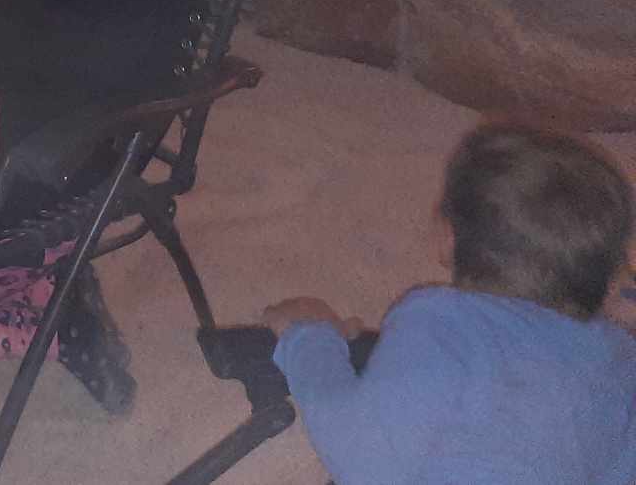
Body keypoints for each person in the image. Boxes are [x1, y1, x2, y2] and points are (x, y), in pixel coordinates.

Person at [263, 121, 636, 485]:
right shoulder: (620, 358)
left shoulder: (440, 324)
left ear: (447, 237)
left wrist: (309, 337)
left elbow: (360, 459)